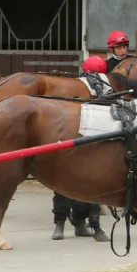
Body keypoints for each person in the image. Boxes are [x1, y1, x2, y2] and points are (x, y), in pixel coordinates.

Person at [51, 56, 110, 242]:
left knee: (92, 184)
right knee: (63, 183)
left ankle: (85, 224)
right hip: (72, 136)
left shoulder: (106, 89)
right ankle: (60, 223)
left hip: (92, 138)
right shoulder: (74, 87)